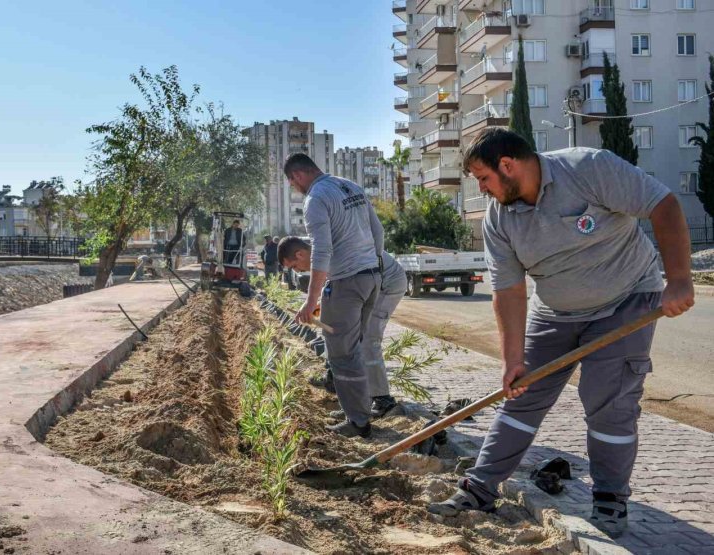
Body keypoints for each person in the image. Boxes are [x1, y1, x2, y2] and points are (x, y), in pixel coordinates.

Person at [428, 128, 694, 538]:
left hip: (625, 301)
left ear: (507, 165)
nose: (481, 188)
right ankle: (479, 487)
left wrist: (678, 280)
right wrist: (513, 359)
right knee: (520, 396)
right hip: (554, 311)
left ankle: (609, 500)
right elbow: (508, 291)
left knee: (608, 402)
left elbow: (664, 205)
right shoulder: (500, 218)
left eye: (483, 178)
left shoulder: (589, 168)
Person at [283, 153, 385, 438]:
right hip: (370, 277)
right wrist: (372, 264)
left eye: (293, 183)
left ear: (297, 176)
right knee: (356, 347)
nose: (295, 188)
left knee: (342, 354)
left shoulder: (315, 199)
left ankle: (358, 422)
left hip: (347, 283)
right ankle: (356, 407)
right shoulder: (350, 186)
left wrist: (311, 301)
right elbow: (378, 231)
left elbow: (322, 251)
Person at [280, 237, 405, 417]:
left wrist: (311, 308)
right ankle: (358, 398)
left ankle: (382, 399)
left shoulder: (326, 253)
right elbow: (331, 295)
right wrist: (311, 312)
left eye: (294, 266)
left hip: (387, 283)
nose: (297, 271)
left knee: (368, 338)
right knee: (346, 331)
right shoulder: (322, 257)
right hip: (368, 284)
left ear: (300, 254)